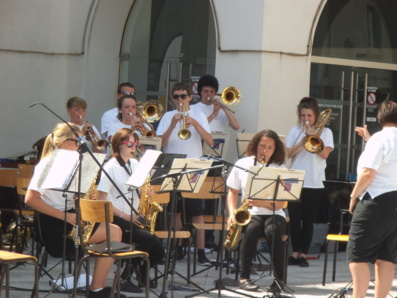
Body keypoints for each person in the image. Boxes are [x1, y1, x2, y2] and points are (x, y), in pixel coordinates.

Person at [25, 123, 125, 298]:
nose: (80, 146)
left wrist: (88, 196)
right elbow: (30, 199)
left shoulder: (74, 165)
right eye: (77, 142)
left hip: (70, 218)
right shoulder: (48, 164)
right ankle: (96, 289)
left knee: (114, 230)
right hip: (54, 224)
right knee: (113, 233)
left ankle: (98, 286)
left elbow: (73, 198)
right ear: (64, 142)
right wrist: (65, 215)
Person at [97, 128, 165, 292]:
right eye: (129, 144)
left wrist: (146, 193)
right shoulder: (110, 167)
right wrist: (125, 216)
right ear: (118, 145)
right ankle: (123, 278)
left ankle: (140, 272)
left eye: (136, 144)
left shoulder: (135, 164)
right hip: (116, 219)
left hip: (133, 217)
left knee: (159, 252)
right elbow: (101, 200)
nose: (134, 147)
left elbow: (136, 191)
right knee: (147, 240)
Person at [156, 81, 214, 265]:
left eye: (183, 96)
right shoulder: (167, 116)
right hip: (172, 166)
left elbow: (211, 141)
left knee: (197, 212)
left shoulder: (199, 115)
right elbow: (161, 143)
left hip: (193, 167)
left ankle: (201, 251)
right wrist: (172, 126)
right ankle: (178, 248)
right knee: (175, 212)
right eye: (176, 97)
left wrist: (195, 123)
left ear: (190, 97)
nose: (180, 100)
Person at [226, 130, 287, 293]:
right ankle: (244, 277)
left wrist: (263, 203)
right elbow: (232, 192)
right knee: (251, 230)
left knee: (273, 231)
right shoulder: (243, 163)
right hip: (250, 214)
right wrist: (232, 214)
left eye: (269, 147)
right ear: (255, 145)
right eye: (262, 146)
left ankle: (279, 279)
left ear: (275, 150)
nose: (265, 150)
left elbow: (282, 202)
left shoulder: (280, 167)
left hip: (275, 213)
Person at [348, 100, 397, 298]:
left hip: (377, 200)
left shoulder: (380, 139)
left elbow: (368, 172)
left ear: (380, 117)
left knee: (357, 255)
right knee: (386, 257)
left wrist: (354, 195)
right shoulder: (380, 139)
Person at [191, 74, 240, 250]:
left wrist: (224, 109)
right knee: (197, 200)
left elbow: (235, 126)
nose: (209, 95)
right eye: (205, 91)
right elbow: (199, 129)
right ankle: (195, 238)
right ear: (199, 92)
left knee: (213, 199)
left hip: (216, 159)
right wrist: (212, 114)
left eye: (212, 91)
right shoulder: (195, 109)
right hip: (199, 158)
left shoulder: (219, 108)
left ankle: (210, 239)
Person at [286, 97, 334, 267]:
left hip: (314, 181)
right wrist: (303, 139)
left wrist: (314, 137)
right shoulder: (295, 131)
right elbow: (289, 154)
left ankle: (304, 255)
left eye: (309, 116)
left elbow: (324, 155)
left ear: (316, 116)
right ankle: (294, 253)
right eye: (303, 115)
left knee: (308, 220)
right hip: (295, 179)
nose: (306, 119)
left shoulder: (326, 133)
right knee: (294, 218)